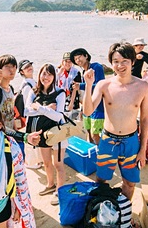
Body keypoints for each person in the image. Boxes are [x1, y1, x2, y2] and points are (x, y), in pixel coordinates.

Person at [83, 42, 148, 228]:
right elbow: (88, 111)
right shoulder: (104, 84)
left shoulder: (144, 87)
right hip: (107, 140)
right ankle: (102, 212)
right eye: (115, 61)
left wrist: (142, 150)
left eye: (124, 61)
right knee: (101, 180)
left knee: (129, 183)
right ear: (110, 63)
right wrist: (88, 86)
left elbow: (145, 119)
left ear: (132, 61)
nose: (120, 65)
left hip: (131, 142)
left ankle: (122, 213)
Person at [25, 63, 66, 205]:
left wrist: (39, 108)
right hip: (42, 134)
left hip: (57, 134)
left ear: (54, 76)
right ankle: (50, 185)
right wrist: (46, 109)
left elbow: (59, 116)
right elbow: (26, 111)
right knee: (47, 163)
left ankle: (60, 192)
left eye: (49, 74)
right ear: (39, 74)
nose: (46, 77)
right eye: (44, 73)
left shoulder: (60, 93)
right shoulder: (33, 91)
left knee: (58, 165)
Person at [70, 47, 105, 144]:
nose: (78, 60)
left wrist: (80, 85)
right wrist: (82, 109)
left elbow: (100, 85)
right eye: (76, 59)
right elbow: (86, 92)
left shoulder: (96, 67)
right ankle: (91, 154)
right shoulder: (84, 72)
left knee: (95, 133)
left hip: (98, 106)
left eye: (79, 57)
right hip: (87, 106)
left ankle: (101, 154)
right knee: (88, 132)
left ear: (86, 56)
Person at [56, 52, 83, 119]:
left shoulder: (76, 72)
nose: (68, 63)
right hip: (60, 98)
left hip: (72, 98)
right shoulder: (57, 71)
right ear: (62, 62)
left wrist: (71, 103)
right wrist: (59, 73)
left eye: (70, 61)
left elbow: (75, 88)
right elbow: (53, 83)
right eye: (66, 61)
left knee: (73, 119)